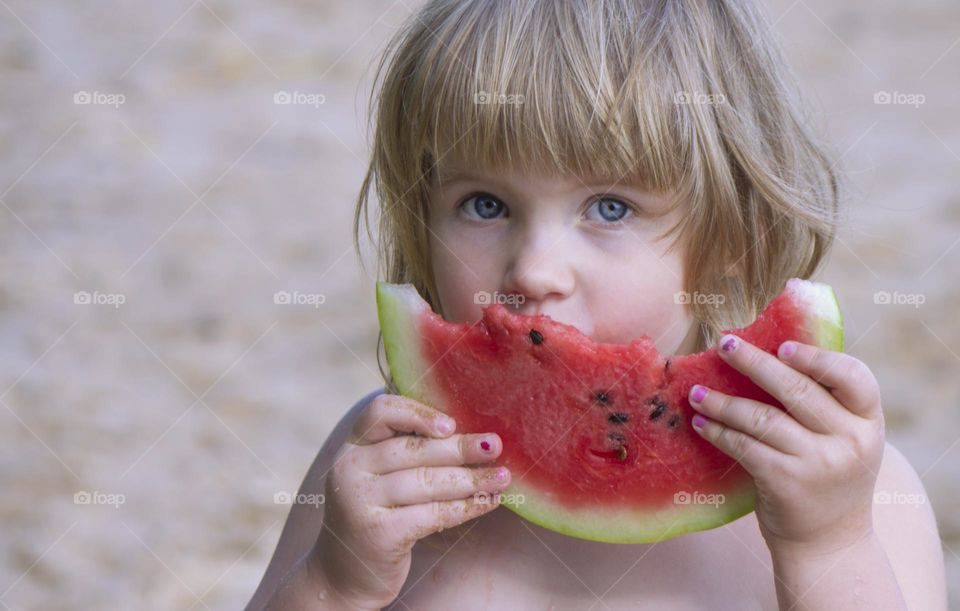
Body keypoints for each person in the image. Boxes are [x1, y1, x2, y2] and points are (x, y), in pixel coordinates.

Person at [248, 0, 947, 608]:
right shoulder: (382, 466)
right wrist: (337, 582)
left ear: (735, 232)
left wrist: (828, 547)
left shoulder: (852, 491)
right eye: (484, 204)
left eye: (610, 207)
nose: (535, 270)